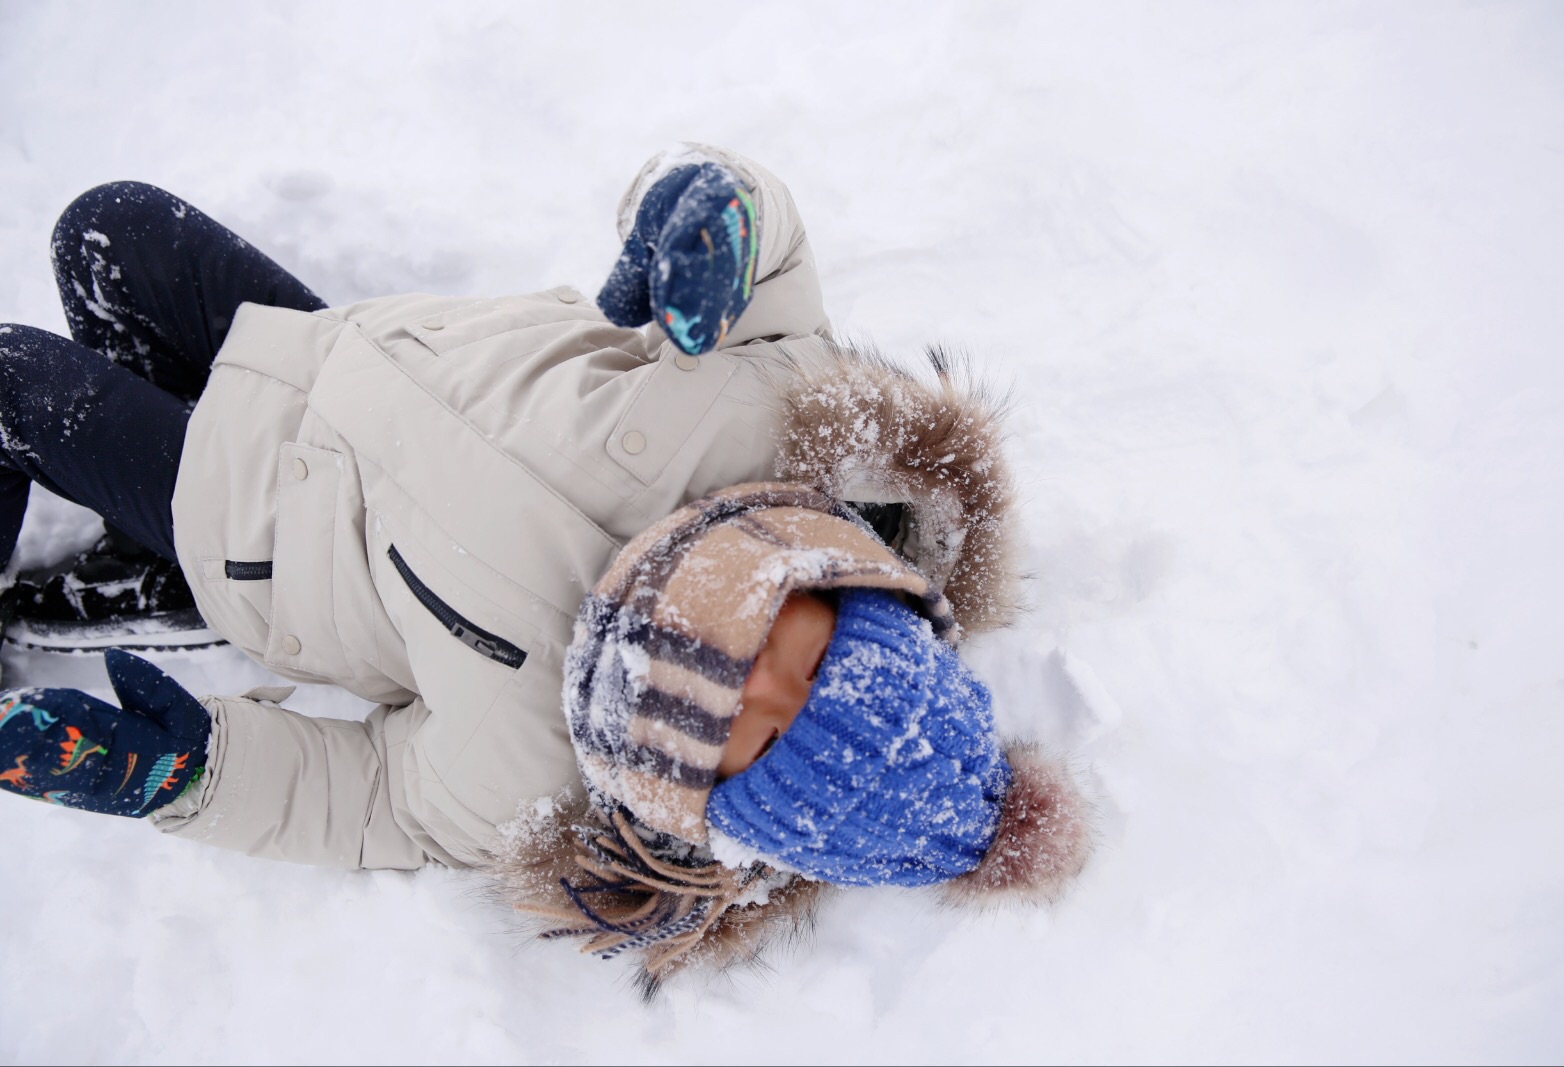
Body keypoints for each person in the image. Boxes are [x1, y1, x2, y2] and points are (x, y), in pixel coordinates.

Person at [0, 145, 1090, 986]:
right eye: (805, 658)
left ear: (712, 807)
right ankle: (133, 531)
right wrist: (715, 214)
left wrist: (189, 777)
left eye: (750, 734)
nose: (747, 671)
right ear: (844, 584)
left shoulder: (530, 773)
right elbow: (774, 259)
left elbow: (370, 799)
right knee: (107, 227)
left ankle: (168, 544)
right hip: (338, 352)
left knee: (11, 382)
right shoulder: (775, 425)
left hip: (258, 527)